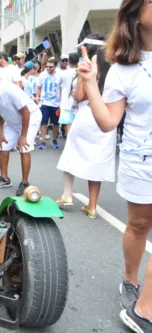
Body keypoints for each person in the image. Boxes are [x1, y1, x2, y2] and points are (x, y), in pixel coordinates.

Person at [77, 1, 152, 331]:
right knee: (138, 226)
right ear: (136, 14)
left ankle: (145, 308)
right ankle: (130, 281)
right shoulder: (124, 69)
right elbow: (108, 121)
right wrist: (91, 83)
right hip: (141, 162)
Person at [55, 34, 116, 219]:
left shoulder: (87, 65)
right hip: (107, 116)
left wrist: (79, 84)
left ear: (86, 49)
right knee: (98, 160)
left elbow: (80, 96)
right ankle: (92, 205)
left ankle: (67, 194)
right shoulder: (114, 67)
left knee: (70, 153)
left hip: (88, 115)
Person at [0, 78, 42, 196]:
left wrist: (23, 136)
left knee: (24, 148)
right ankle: (4, 179)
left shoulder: (10, 91)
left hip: (31, 118)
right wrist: (0, 134)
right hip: (12, 121)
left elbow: (26, 113)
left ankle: (24, 182)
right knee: (3, 146)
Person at [35, 58, 62, 149]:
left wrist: (62, 101)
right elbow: (38, 87)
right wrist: (37, 97)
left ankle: (54, 139)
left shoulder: (60, 75)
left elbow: (62, 88)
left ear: (55, 66)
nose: (48, 68)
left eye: (50, 67)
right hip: (45, 102)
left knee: (55, 123)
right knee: (43, 122)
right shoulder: (42, 75)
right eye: (47, 67)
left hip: (56, 103)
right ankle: (43, 141)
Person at [58, 52, 80, 136]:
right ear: (78, 61)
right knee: (76, 124)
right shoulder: (81, 72)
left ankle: (69, 142)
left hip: (66, 102)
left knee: (68, 123)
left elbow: (58, 84)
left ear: (69, 61)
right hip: (78, 101)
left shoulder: (64, 73)